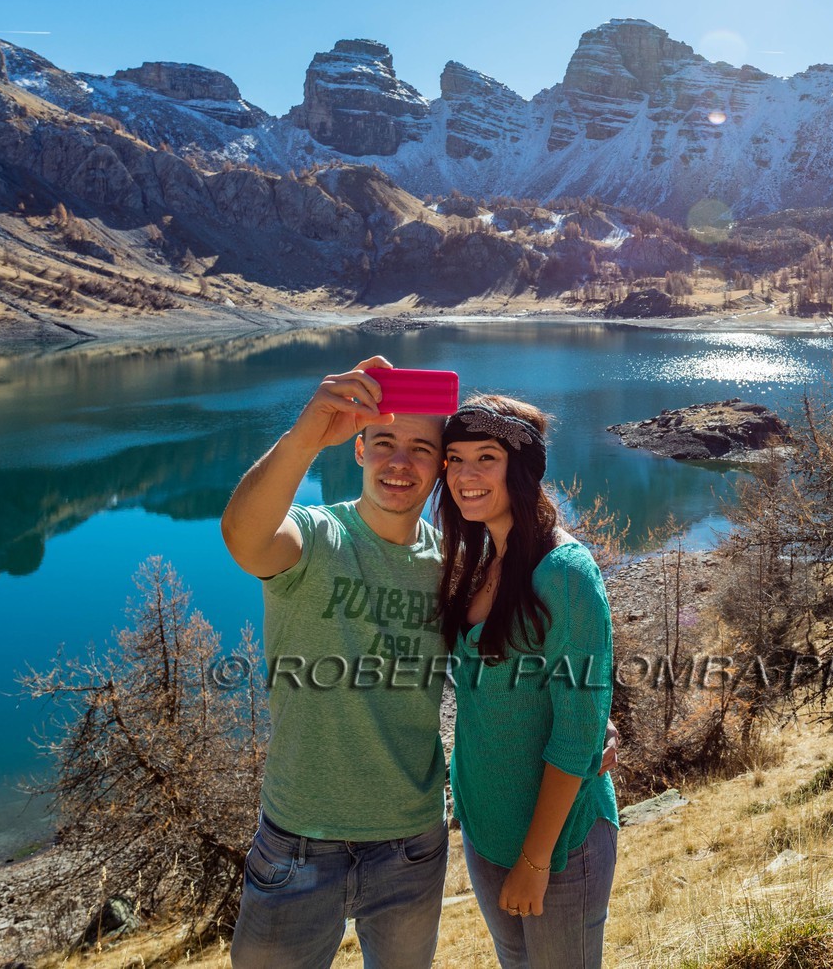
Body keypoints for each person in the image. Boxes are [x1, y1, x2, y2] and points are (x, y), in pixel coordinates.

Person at [220, 357, 450, 969]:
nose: (400, 463)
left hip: (411, 843)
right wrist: (304, 436)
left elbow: (513, 659)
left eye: (421, 449)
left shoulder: (452, 568)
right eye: (384, 443)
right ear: (358, 449)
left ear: (440, 465)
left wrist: (591, 725)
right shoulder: (317, 536)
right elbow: (244, 538)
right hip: (298, 840)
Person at [438, 396, 619, 969]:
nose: (465, 475)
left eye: (485, 457)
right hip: (487, 828)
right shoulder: (483, 555)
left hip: (557, 845)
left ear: (522, 470)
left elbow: (576, 731)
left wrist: (535, 860)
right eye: (454, 458)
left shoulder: (564, 572)